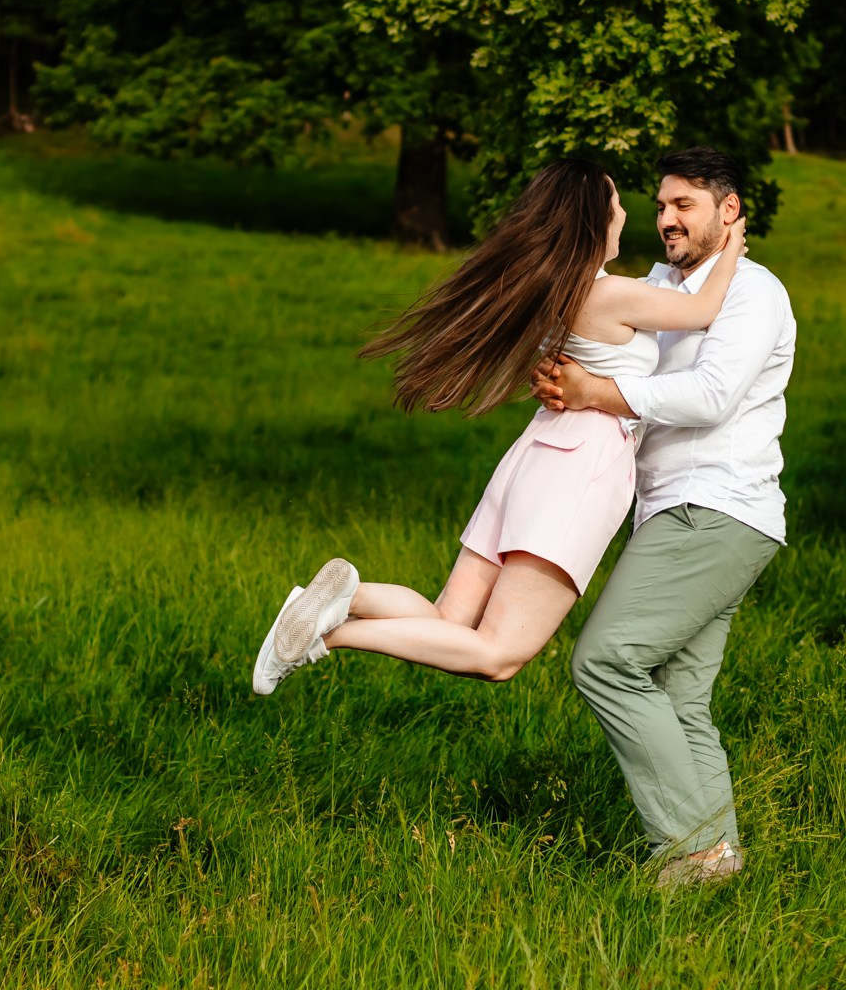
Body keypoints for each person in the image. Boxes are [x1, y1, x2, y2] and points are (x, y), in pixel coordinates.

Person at [250, 155, 747, 716]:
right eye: (615, 204)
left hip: (537, 453)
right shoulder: (607, 294)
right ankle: (326, 633)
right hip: (582, 463)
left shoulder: (555, 290)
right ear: (590, 220)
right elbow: (705, 307)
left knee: (447, 618)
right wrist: (731, 240)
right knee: (499, 654)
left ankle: (346, 596)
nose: (626, 213)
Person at [530, 146, 796, 888]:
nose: (667, 218)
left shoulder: (755, 292)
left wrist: (595, 395)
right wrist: (562, 372)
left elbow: (711, 396)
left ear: (729, 210)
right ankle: (720, 864)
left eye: (685, 204)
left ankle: (687, 850)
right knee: (680, 699)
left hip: (718, 506)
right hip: (668, 511)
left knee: (605, 661)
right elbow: (598, 340)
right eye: (659, 205)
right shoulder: (652, 286)